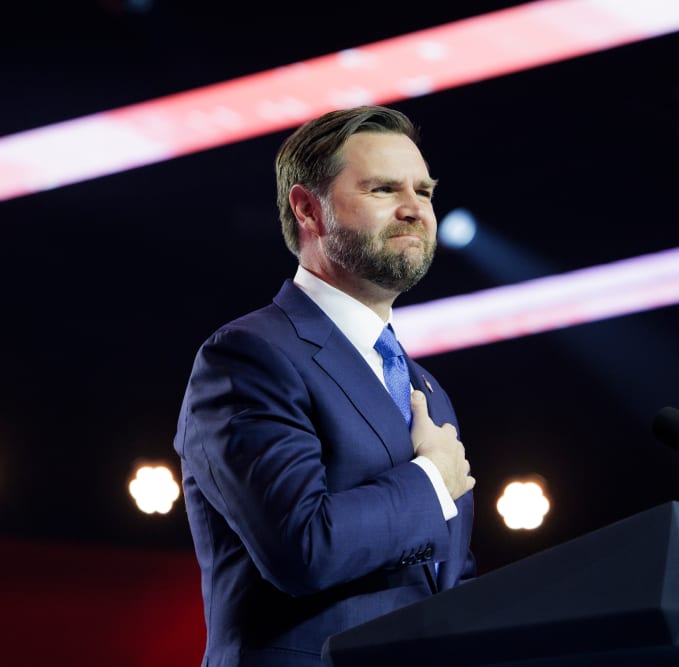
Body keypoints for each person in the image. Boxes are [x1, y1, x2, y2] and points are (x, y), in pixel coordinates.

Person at [174, 105, 477, 667]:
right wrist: (432, 480)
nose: (415, 208)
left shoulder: (424, 388)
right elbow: (302, 547)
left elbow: (446, 577)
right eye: (384, 189)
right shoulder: (249, 355)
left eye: (425, 191)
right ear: (308, 209)